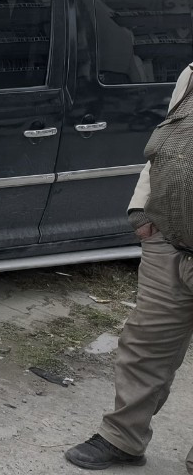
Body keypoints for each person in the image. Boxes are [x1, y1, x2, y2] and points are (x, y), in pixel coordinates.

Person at [66, 63, 193, 472]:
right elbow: (168, 145)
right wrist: (141, 209)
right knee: (145, 346)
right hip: (169, 241)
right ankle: (123, 438)